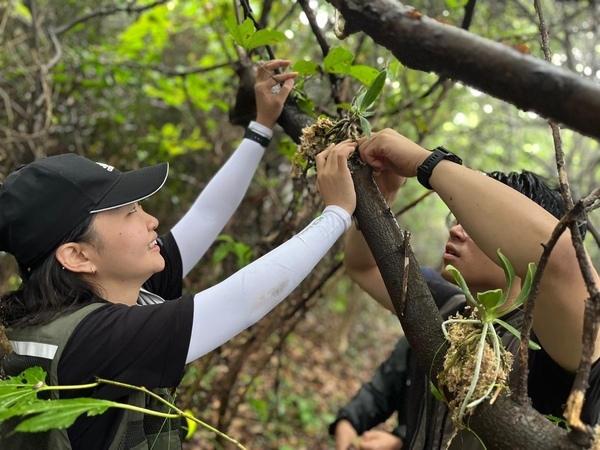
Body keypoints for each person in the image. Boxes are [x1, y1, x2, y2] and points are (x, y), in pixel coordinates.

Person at [0, 59, 358, 450]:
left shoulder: (98, 293)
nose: (152, 221)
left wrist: (261, 127)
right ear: (77, 256)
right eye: (129, 211)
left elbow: (205, 217)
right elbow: (243, 303)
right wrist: (337, 214)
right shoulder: (90, 340)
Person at [343, 129, 600, 449]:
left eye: (476, 224)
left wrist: (429, 163)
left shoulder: (550, 344)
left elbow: (561, 260)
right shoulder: (448, 306)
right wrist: (383, 194)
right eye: (458, 217)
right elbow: (363, 266)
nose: (456, 229)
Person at [330, 268, 463, 450]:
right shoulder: (439, 308)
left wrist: (401, 439)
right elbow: (385, 384)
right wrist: (350, 419)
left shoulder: (506, 347)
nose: (456, 236)